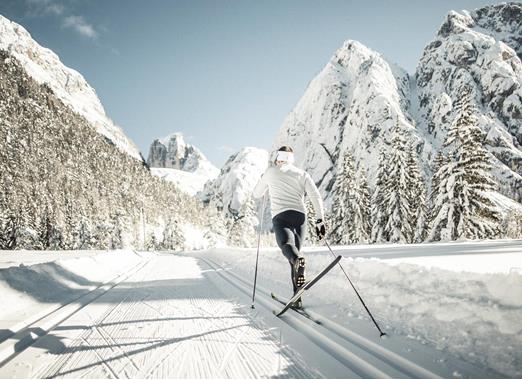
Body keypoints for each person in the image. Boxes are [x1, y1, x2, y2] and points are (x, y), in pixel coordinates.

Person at [253, 146, 326, 308]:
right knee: (296, 257)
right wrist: (320, 220)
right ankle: (297, 297)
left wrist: (263, 180)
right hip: (300, 217)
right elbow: (315, 195)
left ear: (278, 158)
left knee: (289, 249)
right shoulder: (302, 174)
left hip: (281, 216)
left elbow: (256, 194)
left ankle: (297, 290)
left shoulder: (271, 172)